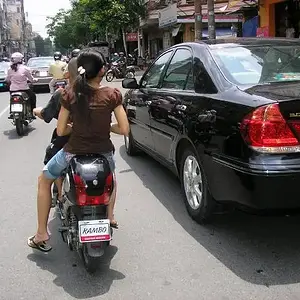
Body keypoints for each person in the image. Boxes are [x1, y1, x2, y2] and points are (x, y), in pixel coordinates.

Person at [27, 48, 129, 252]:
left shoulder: (69, 94)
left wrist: (78, 127)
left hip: (72, 153)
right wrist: (106, 127)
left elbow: (61, 129)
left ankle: (41, 233)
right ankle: (109, 216)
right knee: (112, 180)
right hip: (104, 153)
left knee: (43, 180)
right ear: (102, 71)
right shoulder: (112, 94)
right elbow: (125, 129)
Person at [33, 57, 78, 202]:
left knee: (46, 173)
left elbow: (51, 119)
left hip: (68, 142)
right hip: (96, 140)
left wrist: (35, 110)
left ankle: (58, 195)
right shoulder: (100, 93)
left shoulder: (62, 94)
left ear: (67, 74)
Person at [6, 52, 37, 118]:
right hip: (24, 89)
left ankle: (11, 112)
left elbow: (7, 80)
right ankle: (32, 112)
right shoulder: (25, 68)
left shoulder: (9, 69)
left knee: (12, 99)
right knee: (33, 97)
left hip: (13, 89)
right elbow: (31, 79)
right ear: (21, 60)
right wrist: (34, 80)